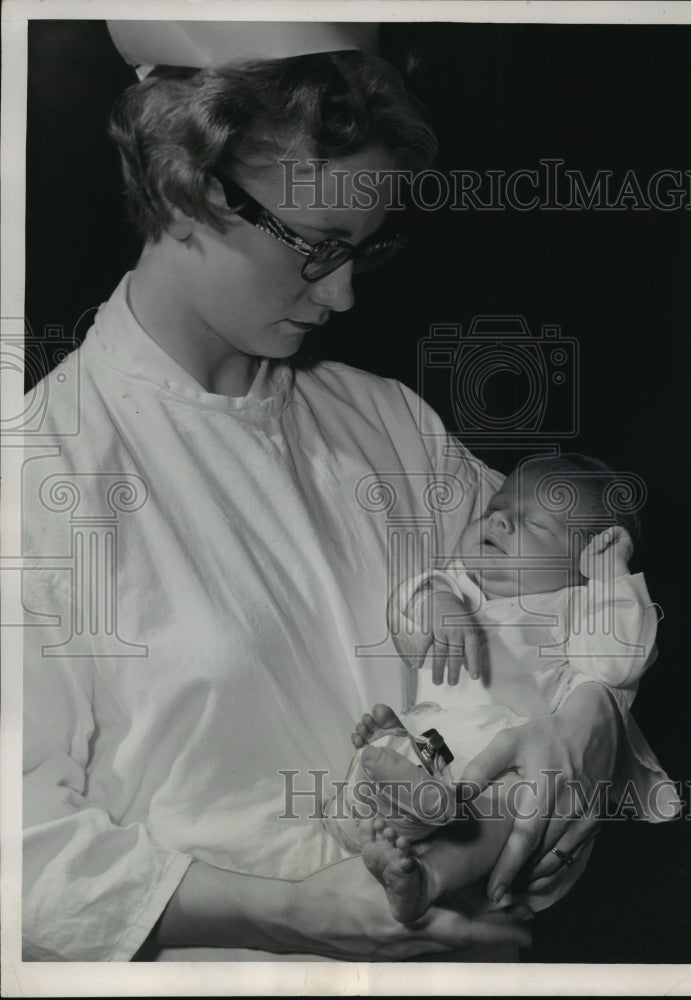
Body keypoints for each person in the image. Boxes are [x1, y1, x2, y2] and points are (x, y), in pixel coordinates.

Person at [22, 47, 656, 963]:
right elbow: (22, 848)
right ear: (186, 187)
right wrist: (286, 913)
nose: (345, 292)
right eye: (319, 247)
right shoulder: (44, 473)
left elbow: (563, 611)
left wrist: (592, 717)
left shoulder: (388, 422)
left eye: (361, 251)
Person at [321, 455, 679, 924]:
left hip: (517, 771)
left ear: (582, 561)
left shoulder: (576, 610)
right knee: (389, 749)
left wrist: (611, 574)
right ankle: (381, 813)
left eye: (534, 522)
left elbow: (619, 660)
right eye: (497, 505)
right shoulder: (462, 589)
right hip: (438, 750)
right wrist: (439, 604)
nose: (498, 518)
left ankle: (426, 876)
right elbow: (407, 612)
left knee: (504, 806)